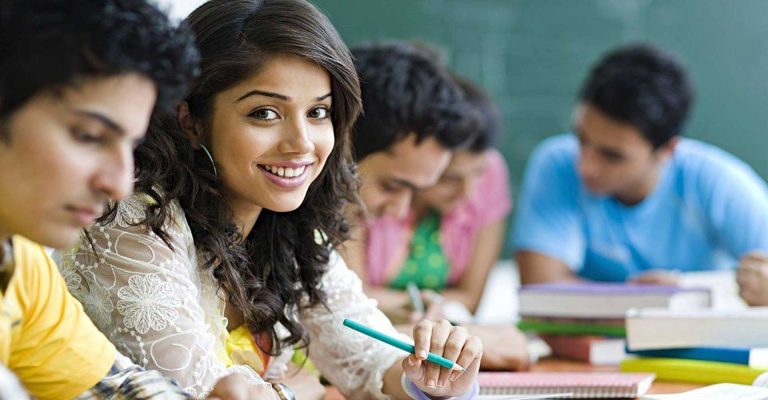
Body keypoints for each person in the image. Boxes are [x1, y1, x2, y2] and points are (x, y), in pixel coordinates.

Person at [57, 1, 482, 399]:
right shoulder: (137, 220)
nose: (301, 144)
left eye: (318, 112)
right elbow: (202, 388)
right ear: (191, 121)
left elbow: (371, 361)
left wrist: (434, 373)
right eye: (265, 113)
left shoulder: (291, 227)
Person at [0, 0, 265, 398]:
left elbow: (114, 386)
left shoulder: (20, 263)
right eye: (88, 136)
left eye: (131, 145)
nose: (119, 184)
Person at [511, 43, 768, 288]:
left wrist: (690, 287)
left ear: (667, 150)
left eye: (612, 156)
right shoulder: (556, 162)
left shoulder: (720, 182)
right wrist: (651, 300)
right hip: (598, 336)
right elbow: (542, 292)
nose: (585, 166)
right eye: (581, 138)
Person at [340, 43, 528, 371]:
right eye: (393, 187)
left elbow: (339, 323)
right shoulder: (330, 211)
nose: (400, 210)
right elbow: (338, 329)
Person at [361, 77, 512, 321]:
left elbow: (470, 299)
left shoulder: (491, 171)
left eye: (478, 173)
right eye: (450, 179)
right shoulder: (373, 189)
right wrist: (434, 306)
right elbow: (351, 300)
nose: (469, 194)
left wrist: (395, 304)